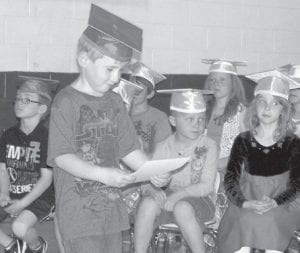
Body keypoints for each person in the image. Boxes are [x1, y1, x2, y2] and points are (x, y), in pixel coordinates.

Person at [47, 4, 169, 253]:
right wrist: (102, 174)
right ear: (83, 60)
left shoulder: (115, 101)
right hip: (78, 214)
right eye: (110, 69)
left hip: (112, 211)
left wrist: (152, 172)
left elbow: (128, 149)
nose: (116, 78)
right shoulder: (65, 102)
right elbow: (61, 157)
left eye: (121, 70)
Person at [217, 71, 300, 253]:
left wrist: (275, 202)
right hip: (247, 199)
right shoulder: (243, 140)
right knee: (243, 222)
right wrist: (246, 203)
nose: (267, 108)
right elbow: (231, 179)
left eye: (274, 103)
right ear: (254, 107)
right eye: (262, 101)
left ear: (283, 109)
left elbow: (296, 184)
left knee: (270, 224)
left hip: (282, 202)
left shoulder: (292, 143)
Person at [134, 89, 218, 253]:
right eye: (190, 119)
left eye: (201, 119)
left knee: (182, 208)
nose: (197, 124)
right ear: (173, 120)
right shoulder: (163, 147)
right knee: (148, 204)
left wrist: (179, 195)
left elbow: (207, 186)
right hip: (167, 198)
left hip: (199, 200)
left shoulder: (208, 145)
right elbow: (147, 180)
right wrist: (153, 190)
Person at [0, 76, 56, 253]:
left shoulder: (46, 138)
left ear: (42, 108)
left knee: (20, 228)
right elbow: (3, 170)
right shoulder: (8, 135)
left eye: (27, 100)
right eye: (18, 98)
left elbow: (47, 180)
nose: (19, 103)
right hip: (13, 194)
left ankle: (36, 246)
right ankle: (12, 246)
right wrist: (3, 193)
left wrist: (23, 203)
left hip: (40, 198)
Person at [202, 59, 248, 172]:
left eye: (222, 80)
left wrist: (219, 163)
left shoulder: (241, 112)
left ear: (233, 84)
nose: (216, 84)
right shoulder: (203, 108)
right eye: (212, 80)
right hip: (204, 167)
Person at [129, 62, 172, 156]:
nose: (133, 92)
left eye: (139, 89)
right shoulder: (121, 114)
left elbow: (164, 151)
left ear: (150, 94)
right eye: (131, 87)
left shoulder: (159, 118)